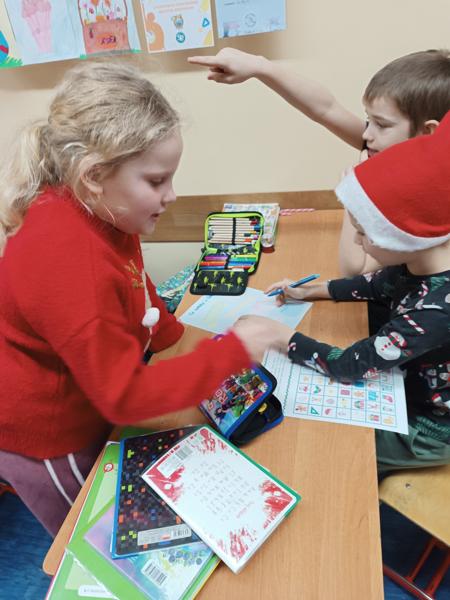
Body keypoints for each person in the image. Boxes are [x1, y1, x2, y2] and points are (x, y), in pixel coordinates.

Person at [0, 61, 282, 536]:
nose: (171, 195)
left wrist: (171, 333)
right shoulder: (70, 259)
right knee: (94, 534)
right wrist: (232, 353)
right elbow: (123, 398)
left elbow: (135, 279)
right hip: (50, 433)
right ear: (94, 174)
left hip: (91, 392)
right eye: (155, 181)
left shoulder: (104, 208)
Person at [239, 112, 450, 474]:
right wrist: (310, 291)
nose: (358, 242)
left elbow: (349, 365)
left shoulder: (433, 313)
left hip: (428, 428)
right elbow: (375, 284)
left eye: (364, 233)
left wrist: (280, 336)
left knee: (326, 450)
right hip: (404, 384)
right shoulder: (421, 260)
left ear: (402, 238)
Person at [188, 47, 450, 275]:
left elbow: (354, 268)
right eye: (368, 120)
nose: (366, 134)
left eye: (381, 124)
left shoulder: (432, 195)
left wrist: (357, 187)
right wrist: (260, 66)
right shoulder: (389, 147)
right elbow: (326, 109)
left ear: (428, 131)